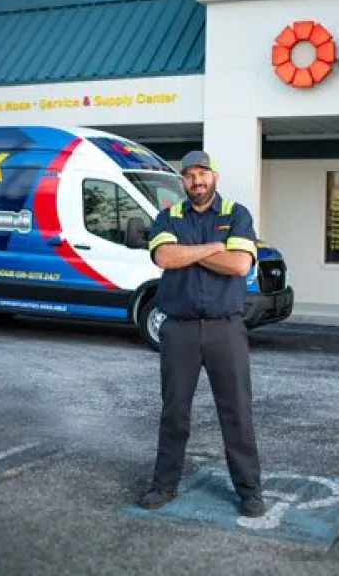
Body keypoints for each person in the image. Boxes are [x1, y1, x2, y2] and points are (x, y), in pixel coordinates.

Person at [138, 150, 266, 518]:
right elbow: (164, 258)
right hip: (178, 329)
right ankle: (163, 485)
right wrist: (213, 247)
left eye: (203, 173)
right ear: (183, 181)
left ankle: (249, 491)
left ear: (215, 176)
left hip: (225, 329)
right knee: (174, 413)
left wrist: (187, 252)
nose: (197, 180)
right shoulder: (168, 215)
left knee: (237, 413)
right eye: (190, 174)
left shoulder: (235, 214)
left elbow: (240, 264)